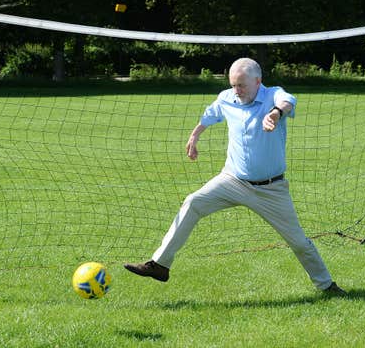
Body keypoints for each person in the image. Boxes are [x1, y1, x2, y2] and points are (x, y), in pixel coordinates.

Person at [124, 57, 345, 295]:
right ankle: (159, 265)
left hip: (271, 189)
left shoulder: (273, 95)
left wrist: (276, 114)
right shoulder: (227, 98)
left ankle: (326, 285)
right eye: (233, 85)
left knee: (299, 242)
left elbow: (288, 100)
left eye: (241, 85)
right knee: (193, 203)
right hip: (232, 180)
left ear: (258, 81)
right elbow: (210, 115)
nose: (236, 91)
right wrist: (195, 135)